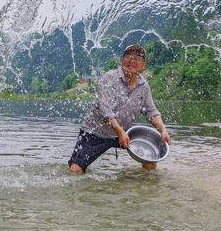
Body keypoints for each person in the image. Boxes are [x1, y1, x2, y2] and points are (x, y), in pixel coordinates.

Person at [68, 44, 171, 174]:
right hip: (95, 132)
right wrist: (120, 132)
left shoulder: (143, 86)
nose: (132, 60)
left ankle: (146, 187)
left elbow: (151, 111)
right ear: (122, 60)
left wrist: (163, 130)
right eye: (128, 56)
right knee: (75, 170)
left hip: (124, 131)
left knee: (151, 157)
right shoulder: (109, 78)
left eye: (138, 57)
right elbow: (106, 111)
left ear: (143, 65)